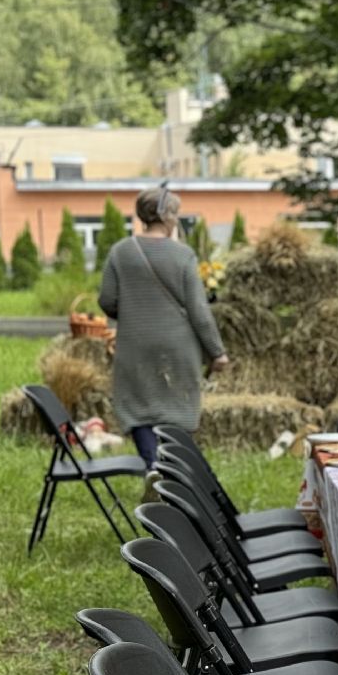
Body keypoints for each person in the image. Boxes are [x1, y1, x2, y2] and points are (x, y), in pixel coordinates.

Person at [98, 186, 229, 468]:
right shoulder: (183, 255)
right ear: (168, 217)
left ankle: (152, 467)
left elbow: (107, 300)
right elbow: (199, 311)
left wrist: (134, 312)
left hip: (134, 345)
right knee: (177, 408)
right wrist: (217, 352)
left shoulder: (121, 252)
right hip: (177, 348)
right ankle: (175, 471)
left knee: (140, 408)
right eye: (176, 214)